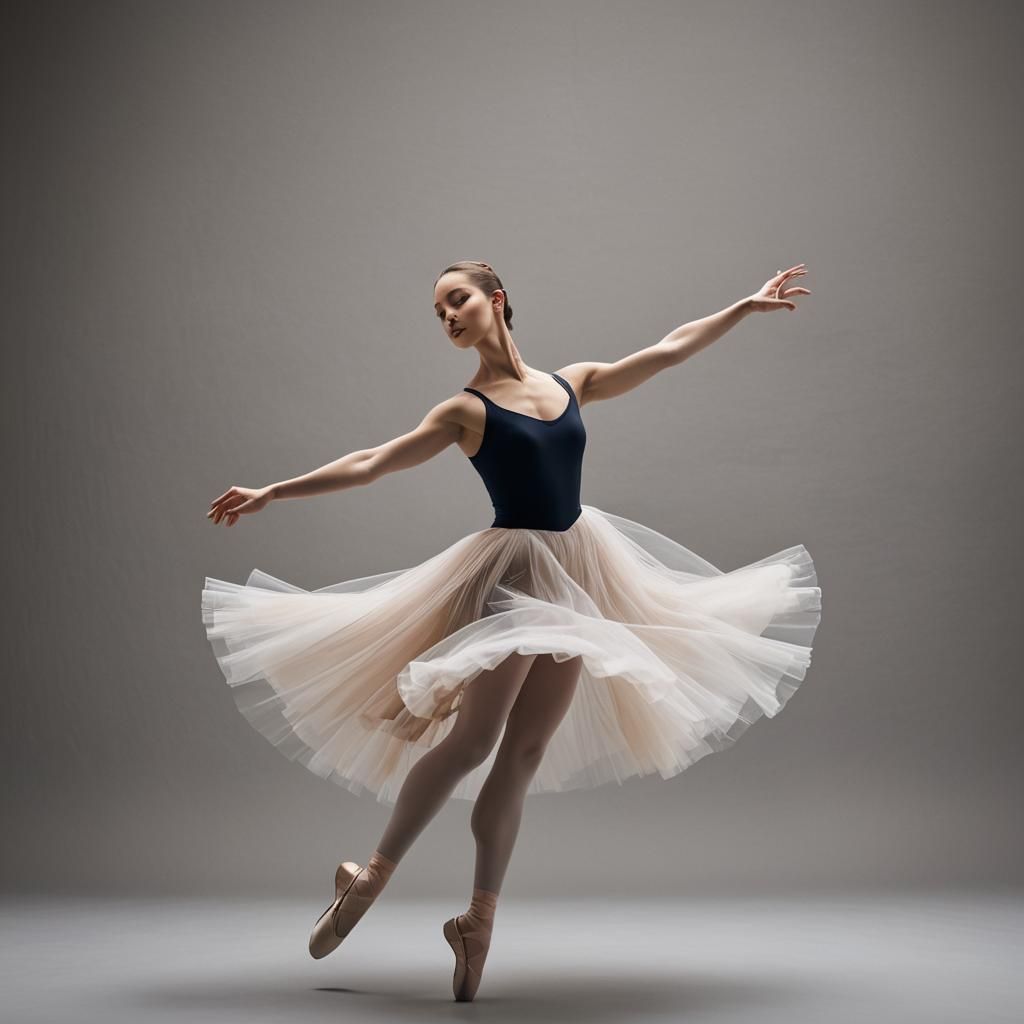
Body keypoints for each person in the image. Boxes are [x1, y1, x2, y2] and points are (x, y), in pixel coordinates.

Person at [202, 259, 820, 1002]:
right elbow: (371, 463)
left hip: (581, 572)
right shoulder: (465, 412)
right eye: (438, 312)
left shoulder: (571, 382)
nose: (447, 318)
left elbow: (665, 350)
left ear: (495, 301)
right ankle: (371, 876)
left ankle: (478, 922)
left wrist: (743, 307)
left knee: (524, 751)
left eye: (455, 300)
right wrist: (273, 491)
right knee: (471, 741)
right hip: (513, 576)